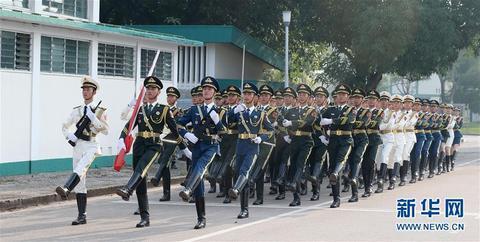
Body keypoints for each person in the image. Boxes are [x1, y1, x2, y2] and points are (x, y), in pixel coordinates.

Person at [115, 76, 180, 228]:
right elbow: (127, 125)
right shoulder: (140, 109)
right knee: (141, 182)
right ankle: (145, 217)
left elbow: (175, 131)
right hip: (139, 143)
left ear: (159, 91)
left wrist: (185, 147)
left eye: (153, 89)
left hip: (154, 144)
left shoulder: (164, 109)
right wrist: (121, 139)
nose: (150, 91)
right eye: (148, 88)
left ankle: (127, 188)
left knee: (141, 168)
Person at [57, 76, 108, 225]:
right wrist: (70, 135)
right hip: (78, 145)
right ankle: (82, 216)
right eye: (84, 89)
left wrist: (94, 119)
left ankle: (67, 187)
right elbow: (64, 125)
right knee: (81, 182)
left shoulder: (100, 111)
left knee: (81, 168)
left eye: (88, 90)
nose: (85, 92)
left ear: (94, 92)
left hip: (92, 145)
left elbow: (105, 130)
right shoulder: (77, 110)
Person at [177, 76, 225, 229]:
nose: (206, 91)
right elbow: (178, 124)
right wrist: (186, 134)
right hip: (197, 146)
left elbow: (223, 132)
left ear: (214, 92)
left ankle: (187, 188)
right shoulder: (194, 109)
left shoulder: (220, 110)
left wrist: (217, 120)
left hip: (211, 146)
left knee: (201, 168)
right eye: (204, 89)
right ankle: (201, 218)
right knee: (200, 184)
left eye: (209, 89)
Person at [227, 82, 273, 218]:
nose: (246, 96)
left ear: (255, 97)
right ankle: (244, 209)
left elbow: (271, 130)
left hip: (253, 147)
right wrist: (234, 110)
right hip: (240, 145)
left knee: (244, 171)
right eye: (245, 94)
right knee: (240, 175)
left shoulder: (260, 113)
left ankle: (235, 189)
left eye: (249, 94)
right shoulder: (239, 111)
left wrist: (261, 138)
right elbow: (227, 121)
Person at [319, 84, 355, 208]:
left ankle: (336, 173)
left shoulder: (351, 110)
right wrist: (324, 135)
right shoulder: (330, 110)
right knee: (331, 168)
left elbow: (347, 120)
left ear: (348, 96)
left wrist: (332, 121)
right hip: (333, 140)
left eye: (344, 94)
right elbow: (321, 122)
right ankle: (336, 198)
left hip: (345, 139)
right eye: (339, 94)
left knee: (341, 160)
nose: (341, 96)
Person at [282, 84, 316, 207]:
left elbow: (307, 122)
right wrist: (287, 133)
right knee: (294, 165)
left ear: (308, 97)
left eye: (304, 94)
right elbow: (283, 123)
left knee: (300, 163)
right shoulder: (291, 110)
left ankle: (294, 183)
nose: (302, 96)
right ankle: (296, 197)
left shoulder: (312, 111)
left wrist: (292, 122)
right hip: (295, 140)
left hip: (306, 140)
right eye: (300, 94)